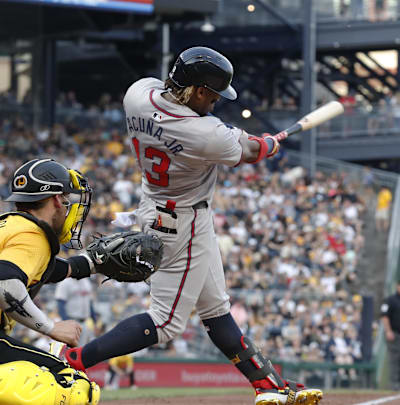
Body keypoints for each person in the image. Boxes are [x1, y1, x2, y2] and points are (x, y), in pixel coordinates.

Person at [64, 46, 322, 405]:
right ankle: (76, 360)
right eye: (213, 95)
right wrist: (268, 143)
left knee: (216, 307)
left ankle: (267, 384)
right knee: (166, 322)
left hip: (155, 205)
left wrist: (252, 141)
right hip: (182, 220)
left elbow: (197, 118)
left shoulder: (137, 94)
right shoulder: (205, 133)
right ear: (199, 90)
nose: (215, 103)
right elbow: (250, 151)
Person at [0, 158, 100, 404]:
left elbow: (43, 269)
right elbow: (5, 282)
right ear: (56, 199)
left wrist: (87, 265)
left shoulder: (10, 226)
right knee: (72, 384)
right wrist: (51, 327)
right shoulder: (33, 234)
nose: (67, 209)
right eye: (66, 202)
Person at [55, 276, 95, 345]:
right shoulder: (65, 282)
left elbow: (90, 303)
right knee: (68, 350)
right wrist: (66, 322)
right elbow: (60, 304)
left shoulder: (86, 281)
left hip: (84, 322)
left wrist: (94, 321)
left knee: (81, 350)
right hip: (71, 321)